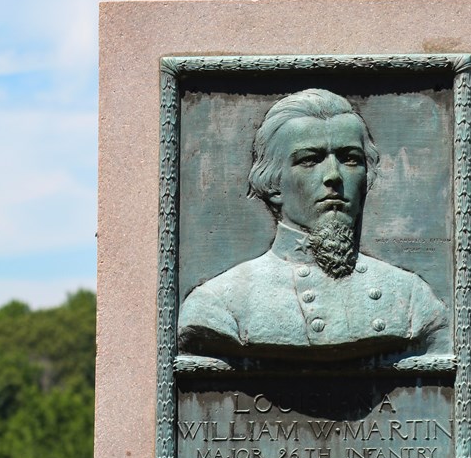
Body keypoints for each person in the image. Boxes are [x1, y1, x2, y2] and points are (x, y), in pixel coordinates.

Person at [178, 88, 448, 361]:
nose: (333, 176)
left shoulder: (411, 299)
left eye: (350, 159)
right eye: (310, 160)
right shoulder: (220, 304)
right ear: (272, 183)